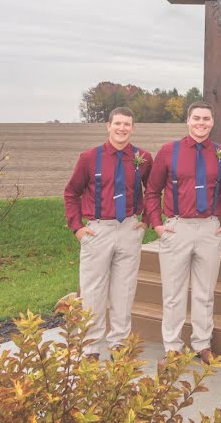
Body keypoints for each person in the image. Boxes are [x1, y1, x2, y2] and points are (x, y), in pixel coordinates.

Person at [144, 102, 221, 364]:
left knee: (205, 291)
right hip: (177, 227)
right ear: (188, 121)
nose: (201, 123)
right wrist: (158, 225)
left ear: (212, 122)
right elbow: (151, 191)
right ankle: (172, 346)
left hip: (209, 228)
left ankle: (202, 344)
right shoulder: (169, 151)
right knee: (173, 292)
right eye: (196, 118)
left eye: (206, 119)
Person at [64, 106, 153, 359]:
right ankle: (90, 346)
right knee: (93, 290)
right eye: (118, 124)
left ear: (133, 128)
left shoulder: (143, 158)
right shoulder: (90, 157)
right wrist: (77, 228)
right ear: (108, 126)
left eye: (127, 124)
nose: (122, 128)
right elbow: (71, 193)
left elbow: (153, 191)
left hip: (129, 230)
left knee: (124, 289)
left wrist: (145, 221)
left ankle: (119, 343)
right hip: (98, 230)